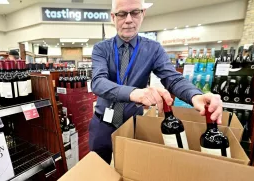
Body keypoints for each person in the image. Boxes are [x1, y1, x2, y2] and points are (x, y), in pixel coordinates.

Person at [89, 0, 223, 163]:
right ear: (113, 17)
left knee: (131, 169)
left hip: (134, 125)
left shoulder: (153, 49)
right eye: (122, 14)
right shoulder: (101, 49)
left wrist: (195, 95)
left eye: (135, 12)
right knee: (97, 168)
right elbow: (98, 82)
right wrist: (133, 93)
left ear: (143, 14)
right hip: (102, 123)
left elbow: (172, 79)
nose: (129, 19)